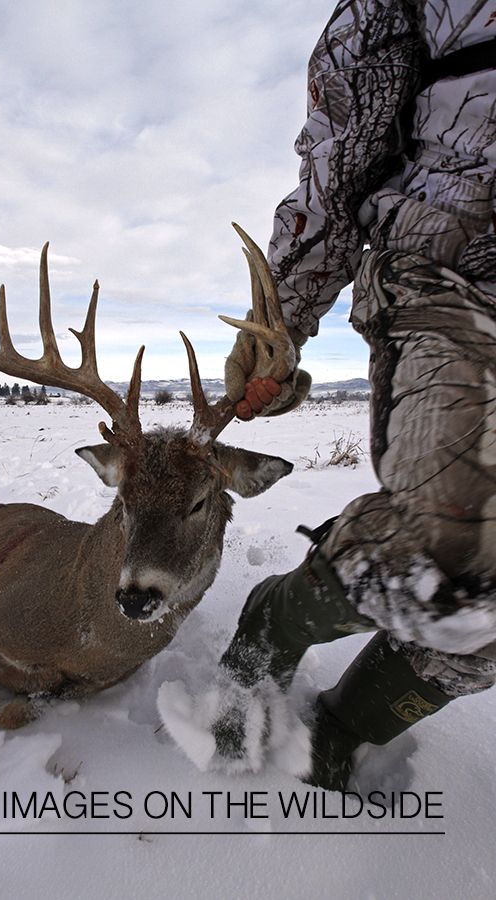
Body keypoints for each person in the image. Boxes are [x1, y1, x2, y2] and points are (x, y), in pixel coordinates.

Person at [160, 0, 496, 791]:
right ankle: (273, 626)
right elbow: (342, 155)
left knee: (486, 623)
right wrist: (279, 320)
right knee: (452, 564)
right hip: (452, 267)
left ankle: (338, 736)